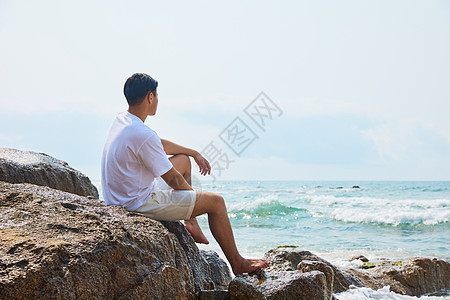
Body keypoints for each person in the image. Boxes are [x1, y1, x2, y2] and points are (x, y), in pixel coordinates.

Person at [101, 73, 269, 275]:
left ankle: (190, 222)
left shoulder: (123, 120)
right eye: (157, 95)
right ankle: (238, 263)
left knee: (183, 160)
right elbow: (172, 178)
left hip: (119, 197)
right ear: (150, 97)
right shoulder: (142, 134)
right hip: (136, 203)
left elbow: (156, 144)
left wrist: (193, 152)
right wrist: (194, 201)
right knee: (216, 202)